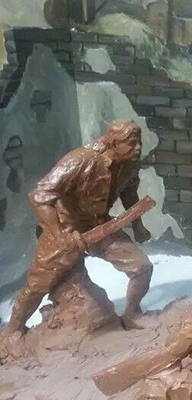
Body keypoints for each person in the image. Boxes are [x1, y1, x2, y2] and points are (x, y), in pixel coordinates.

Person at [4, 121, 153, 334]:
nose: (138, 148)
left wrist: (138, 226)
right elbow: (38, 196)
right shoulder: (80, 160)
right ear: (113, 143)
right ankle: (13, 330)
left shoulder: (130, 164)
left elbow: (129, 193)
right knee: (38, 285)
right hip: (66, 230)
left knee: (142, 267)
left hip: (100, 227)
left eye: (139, 142)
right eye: (131, 143)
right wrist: (60, 235)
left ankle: (132, 314)